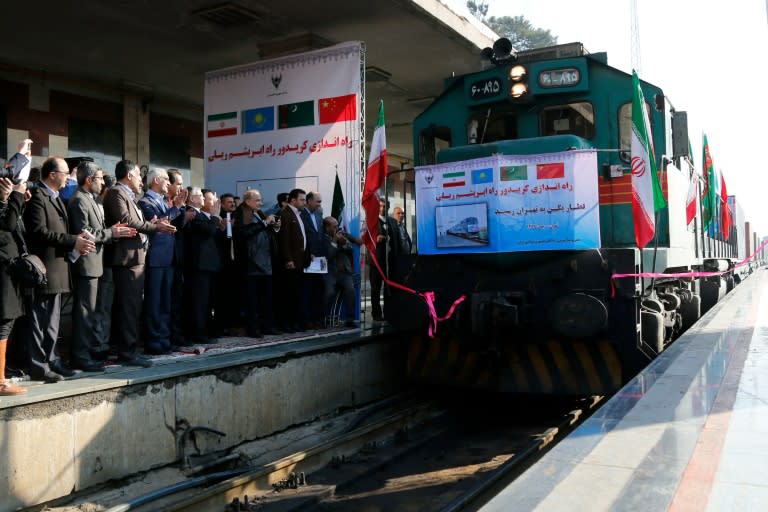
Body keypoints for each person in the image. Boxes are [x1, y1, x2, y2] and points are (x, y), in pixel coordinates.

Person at [23, 156, 95, 382]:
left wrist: (77, 241)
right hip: (45, 269)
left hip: (58, 269)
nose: (69, 177)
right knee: (40, 320)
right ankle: (38, 365)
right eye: (65, 172)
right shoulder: (38, 197)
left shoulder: (54, 197)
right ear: (52, 175)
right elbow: (39, 232)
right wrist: (73, 240)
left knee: (52, 322)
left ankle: (53, 360)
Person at [103, 160, 176, 367]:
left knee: (133, 307)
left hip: (135, 259)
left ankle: (130, 349)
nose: (141, 181)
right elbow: (127, 221)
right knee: (128, 308)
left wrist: (152, 225)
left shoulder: (129, 195)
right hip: (126, 260)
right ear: (128, 175)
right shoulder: (117, 193)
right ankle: (127, 352)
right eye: (137, 176)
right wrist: (155, 228)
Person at [68, 162, 136, 371]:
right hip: (86, 265)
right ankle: (80, 356)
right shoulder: (79, 200)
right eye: (99, 179)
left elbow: (97, 229)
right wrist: (111, 233)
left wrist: (109, 230)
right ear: (88, 180)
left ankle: (87, 353)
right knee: (84, 313)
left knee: (91, 312)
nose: (102, 183)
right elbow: (85, 233)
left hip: (96, 264)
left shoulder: (92, 199)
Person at [138, 167, 182, 354]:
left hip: (168, 258)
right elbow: (156, 225)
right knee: (154, 302)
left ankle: (164, 337)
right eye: (165, 179)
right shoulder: (145, 202)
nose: (168, 183)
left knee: (165, 301)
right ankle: (153, 339)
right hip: (155, 259)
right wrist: (176, 209)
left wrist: (174, 209)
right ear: (156, 180)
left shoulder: (163, 202)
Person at [0, 145, 31, 394]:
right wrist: (15, 196)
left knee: (6, 322)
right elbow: (8, 224)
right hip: (2, 266)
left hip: (8, 266)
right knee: (3, 322)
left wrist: (17, 200)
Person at [234, 189, 280, 337]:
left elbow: (265, 231)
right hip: (251, 264)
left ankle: (267, 326)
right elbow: (244, 233)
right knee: (252, 301)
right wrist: (264, 223)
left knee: (266, 299)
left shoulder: (259, 213)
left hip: (265, 263)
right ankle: (253, 329)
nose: (260, 203)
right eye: (257, 200)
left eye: (260, 200)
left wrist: (274, 226)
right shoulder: (241, 213)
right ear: (247, 201)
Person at [183, 188, 222, 344]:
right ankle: (198, 333)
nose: (211, 202)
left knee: (207, 301)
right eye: (202, 197)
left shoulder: (202, 215)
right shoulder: (193, 213)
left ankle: (206, 330)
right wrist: (215, 217)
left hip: (209, 265)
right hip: (199, 266)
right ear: (192, 199)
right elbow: (208, 230)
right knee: (199, 302)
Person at [277, 188, 310, 332]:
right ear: (293, 200)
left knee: (297, 294)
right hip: (291, 263)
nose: (304, 202)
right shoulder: (285, 214)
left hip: (300, 261)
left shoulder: (298, 214)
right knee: (288, 295)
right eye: (302, 200)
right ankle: (287, 323)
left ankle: (296, 322)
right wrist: (288, 259)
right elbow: (284, 240)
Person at [321, 216, 361, 328]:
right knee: (329, 293)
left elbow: (350, 249)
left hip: (345, 271)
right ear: (327, 227)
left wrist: (343, 243)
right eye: (334, 226)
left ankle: (350, 319)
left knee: (351, 291)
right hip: (330, 273)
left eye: (337, 226)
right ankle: (323, 318)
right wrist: (334, 241)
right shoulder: (323, 238)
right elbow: (329, 256)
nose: (337, 228)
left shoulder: (341, 235)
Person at [367, 198, 401, 321]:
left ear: (388, 207)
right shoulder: (371, 221)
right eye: (380, 206)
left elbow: (397, 240)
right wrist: (379, 238)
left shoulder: (392, 221)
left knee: (390, 288)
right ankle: (376, 314)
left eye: (385, 206)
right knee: (375, 288)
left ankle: (389, 312)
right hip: (376, 261)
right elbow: (370, 238)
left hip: (390, 260)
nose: (382, 209)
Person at [300, 191, 325, 328]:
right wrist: (307, 253)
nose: (319, 204)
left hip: (319, 259)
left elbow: (320, 234)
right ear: (309, 201)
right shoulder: (301, 215)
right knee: (307, 291)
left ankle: (317, 318)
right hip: (308, 258)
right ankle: (307, 320)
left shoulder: (319, 214)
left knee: (318, 290)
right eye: (318, 201)